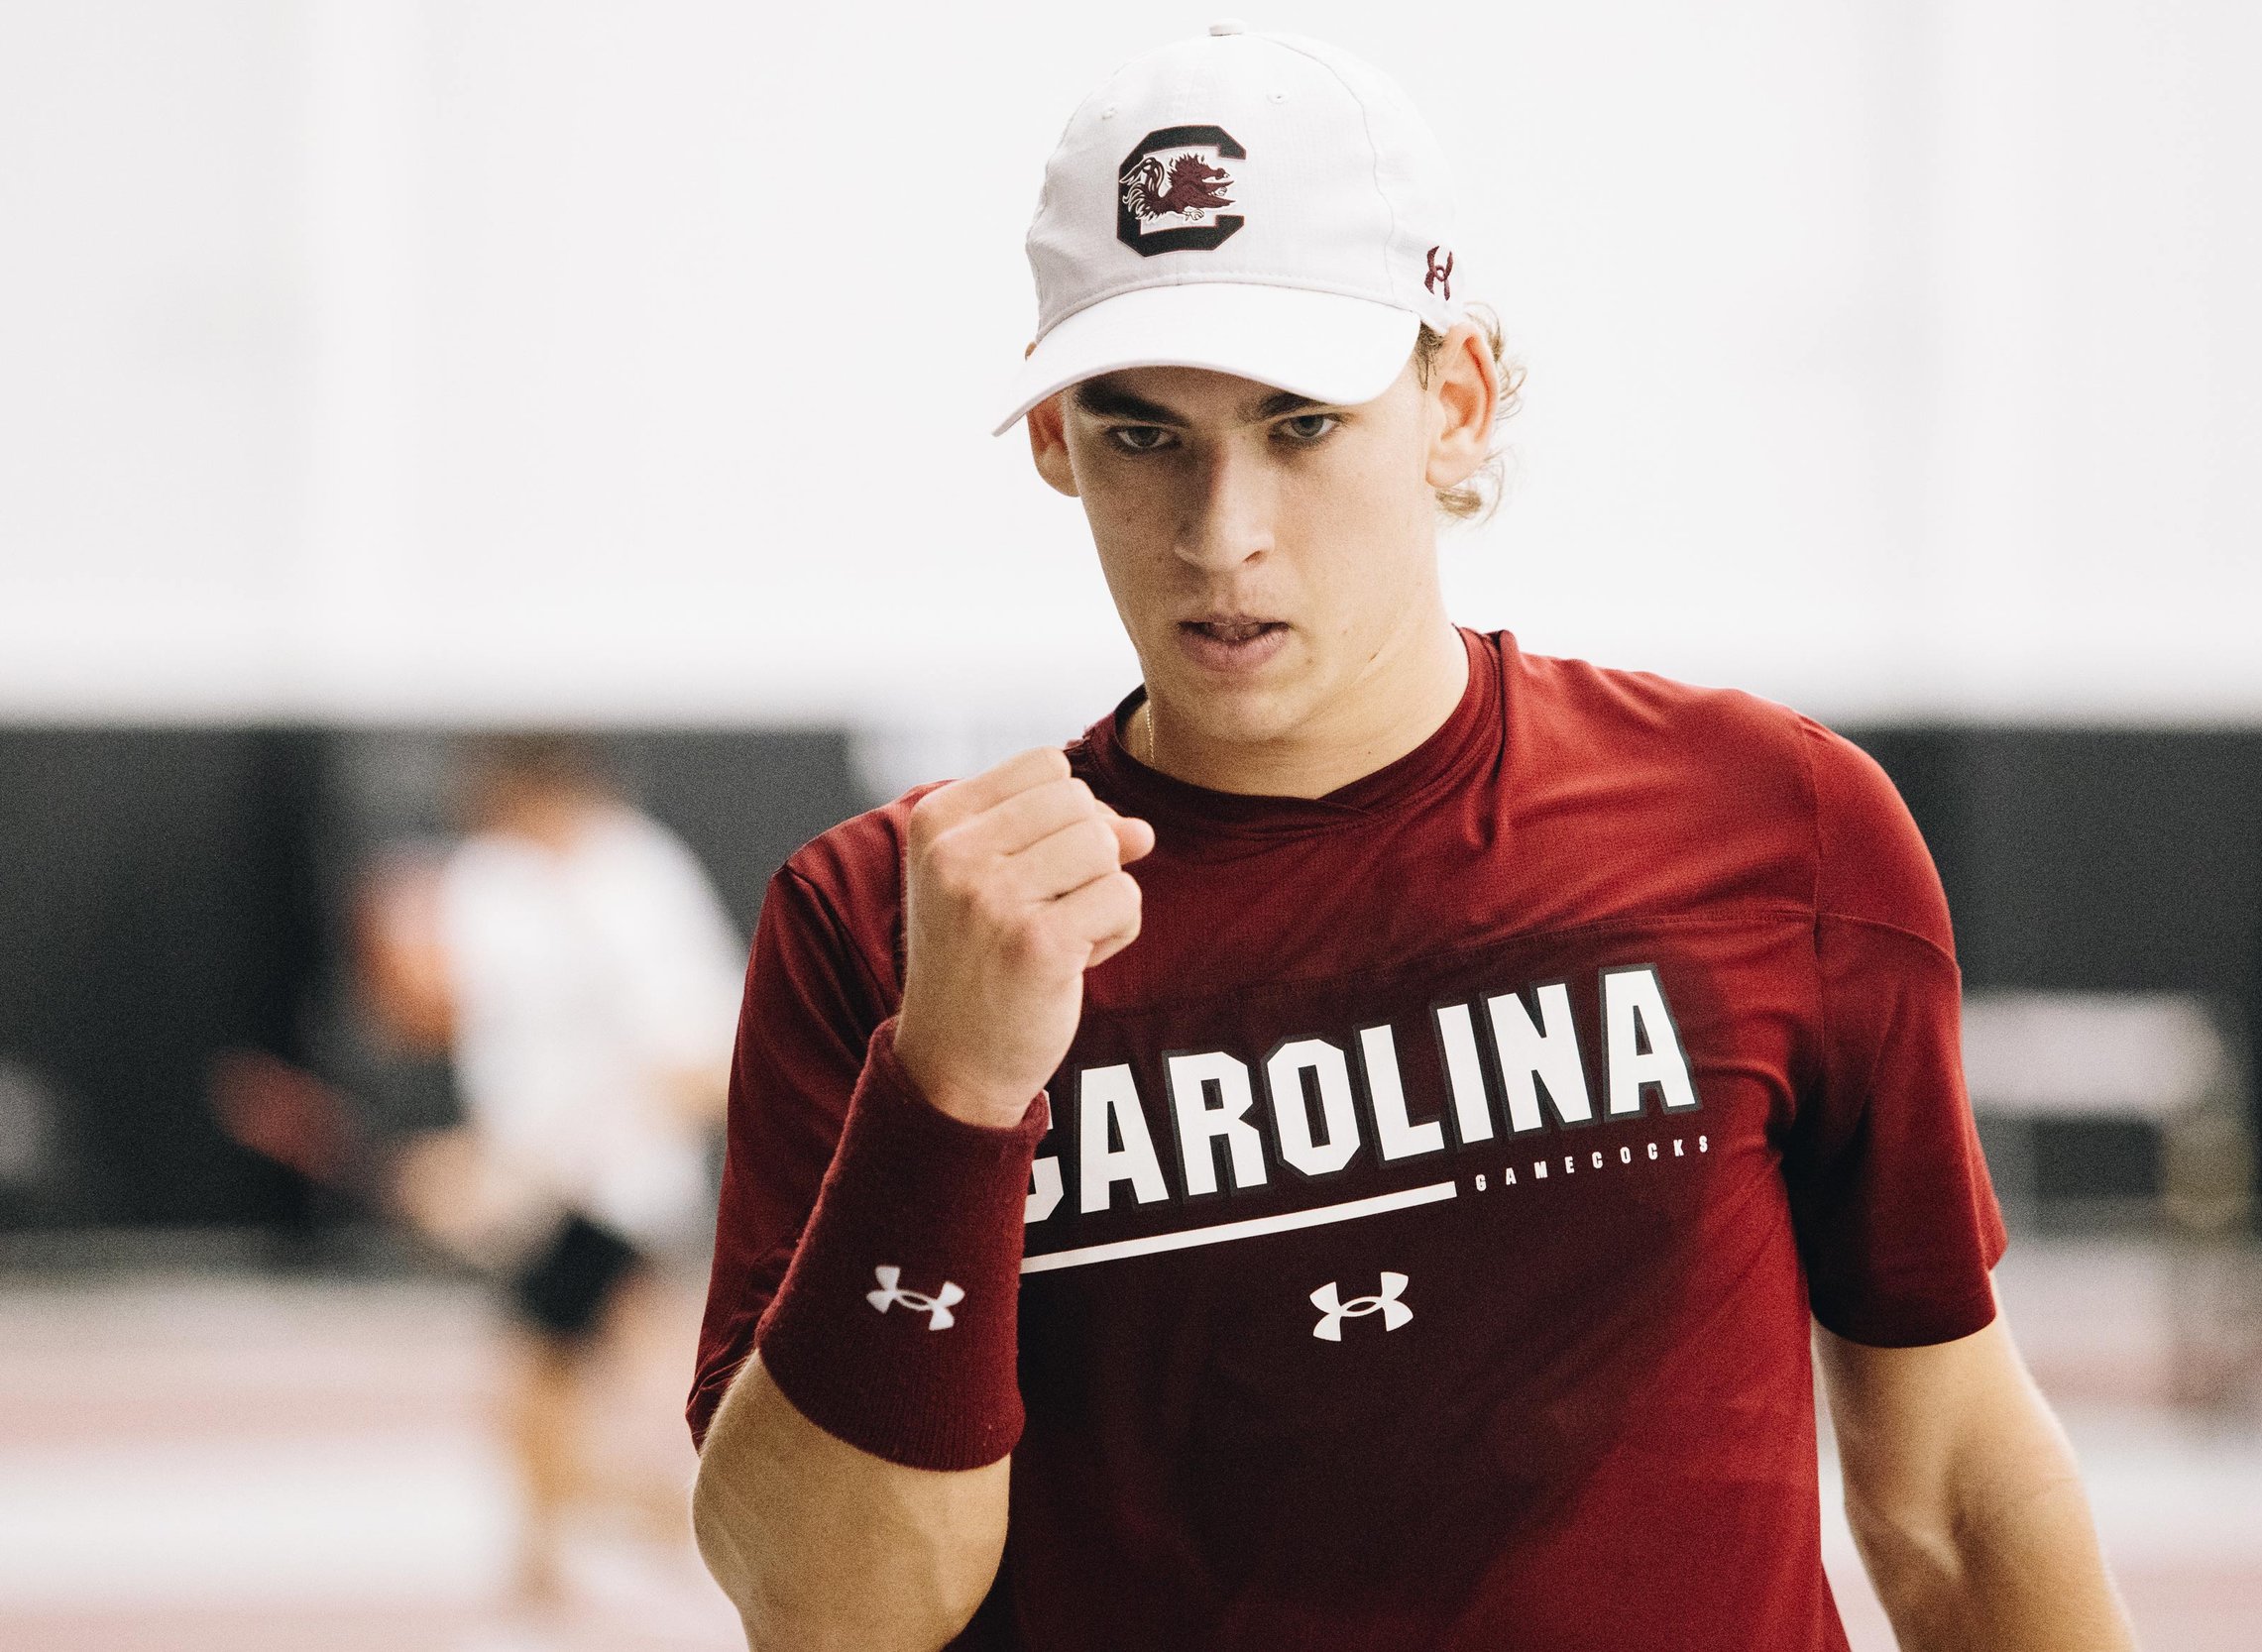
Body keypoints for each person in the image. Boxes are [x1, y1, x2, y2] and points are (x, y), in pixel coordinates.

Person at [688, 25, 2135, 1651]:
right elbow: (830, 1615)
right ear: (1051, 442)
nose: (1220, 531)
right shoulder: (886, 923)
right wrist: (949, 1096)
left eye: (1301, 424)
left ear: (1455, 400)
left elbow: (1949, 1491)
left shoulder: (1773, 827)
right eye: (1142, 431)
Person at [222, 733, 747, 1605]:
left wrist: (522, 1161)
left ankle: (631, 1524)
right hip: (533, 1182)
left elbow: (694, 1060)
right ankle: (566, 1546)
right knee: (548, 1371)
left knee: (604, 1377)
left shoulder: (641, 882)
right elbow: (442, 1018)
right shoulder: (489, 881)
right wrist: (476, 1155)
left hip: (617, 1186)